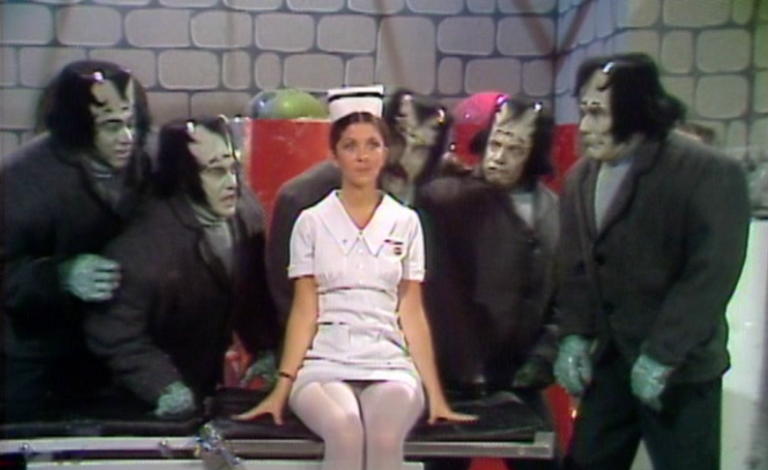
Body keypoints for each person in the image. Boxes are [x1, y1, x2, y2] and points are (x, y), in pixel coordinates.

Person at [233, 87, 475, 470]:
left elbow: (412, 311)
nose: (363, 156)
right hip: (325, 359)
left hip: (388, 360)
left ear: (385, 151)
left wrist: (435, 392)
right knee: (345, 429)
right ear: (335, 152)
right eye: (351, 145)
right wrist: (283, 384)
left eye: (372, 144)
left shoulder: (405, 223)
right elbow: (303, 309)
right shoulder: (310, 220)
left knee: (384, 435)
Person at [537, 53, 751, 470]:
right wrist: (574, 337)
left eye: (598, 112)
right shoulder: (581, 178)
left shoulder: (707, 171)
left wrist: (663, 353)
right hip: (610, 368)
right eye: (583, 110)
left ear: (635, 109)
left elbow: (712, 272)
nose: (585, 126)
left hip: (680, 374)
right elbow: (576, 267)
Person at [414, 97, 562, 470]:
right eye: (496, 142)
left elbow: (564, 295)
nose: (499, 156)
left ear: (534, 153)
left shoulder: (553, 210)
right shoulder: (449, 199)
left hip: (521, 376)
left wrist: (545, 356)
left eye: (515, 148)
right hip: (455, 378)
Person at [85, 116, 277, 418]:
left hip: (202, 385)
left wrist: (264, 348)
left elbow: (250, 291)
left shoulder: (246, 213)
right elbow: (114, 332)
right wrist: (163, 386)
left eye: (233, 168)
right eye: (216, 171)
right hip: (130, 403)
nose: (232, 183)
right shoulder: (142, 245)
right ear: (183, 176)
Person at [1, 60, 152, 423]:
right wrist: (61, 276)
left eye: (131, 123)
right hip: (37, 364)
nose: (127, 138)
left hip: (120, 356)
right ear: (78, 126)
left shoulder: (148, 163)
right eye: (111, 126)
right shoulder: (19, 180)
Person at [266, 87, 451, 326]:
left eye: (421, 149)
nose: (403, 157)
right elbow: (288, 302)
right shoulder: (303, 199)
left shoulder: (435, 208)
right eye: (398, 139)